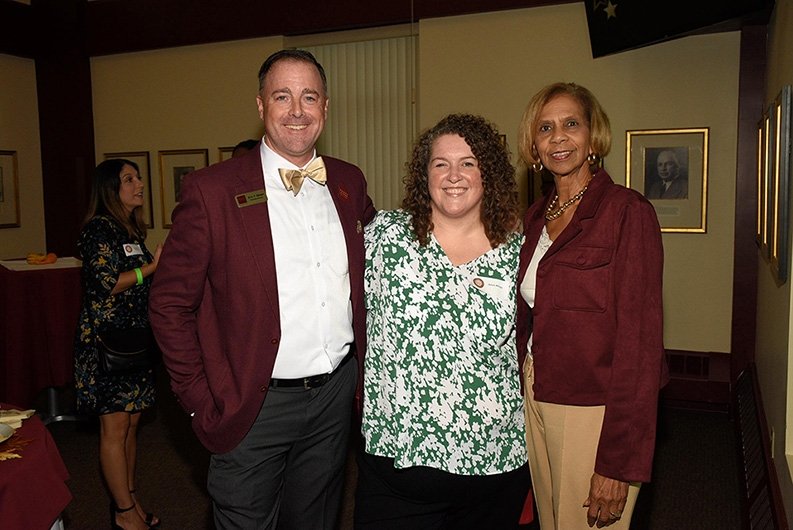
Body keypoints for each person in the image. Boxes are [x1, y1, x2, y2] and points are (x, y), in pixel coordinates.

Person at [148, 49, 375, 529]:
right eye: (282, 96)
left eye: (309, 96)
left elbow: (378, 271)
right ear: (260, 106)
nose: (297, 110)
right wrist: (200, 399)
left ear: (326, 107)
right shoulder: (211, 191)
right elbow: (169, 305)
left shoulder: (348, 183)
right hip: (251, 404)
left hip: (334, 398)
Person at [354, 114, 531, 529]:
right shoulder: (384, 237)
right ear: (424, 174)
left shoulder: (519, 253)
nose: (454, 175)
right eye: (440, 164)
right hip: (397, 470)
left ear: (488, 173)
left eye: (468, 163)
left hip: (495, 467)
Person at [515, 83, 667, 529]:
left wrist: (619, 461)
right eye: (546, 128)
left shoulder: (628, 214)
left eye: (570, 124)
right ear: (534, 145)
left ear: (593, 135)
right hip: (534, 392)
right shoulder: (535, 217)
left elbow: (641, 347)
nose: (558, 138)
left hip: (593, 409)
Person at [73, 158, 162, 530]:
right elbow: (109, 282)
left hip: (135, 341)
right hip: (106, 345)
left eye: (138, 177)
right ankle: (124, 513)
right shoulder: (98, 229)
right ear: (111, 188)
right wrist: (154, 266)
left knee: (131, 424)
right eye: (129, 179)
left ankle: (129, 498)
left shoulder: (129, 229)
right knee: (114, 428)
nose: (139, 183)